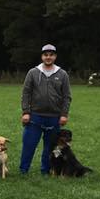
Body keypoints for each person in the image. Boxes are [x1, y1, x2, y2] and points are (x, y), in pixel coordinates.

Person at [20, 43, 72, 175]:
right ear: (42, 56)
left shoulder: (62, 74)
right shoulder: (33, 72)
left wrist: (64, 114)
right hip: (35, 116)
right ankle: (23, 170)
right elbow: (26, 93)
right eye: (45, 55)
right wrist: (26, 112)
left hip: (54, 117)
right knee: (29, 145)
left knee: (52, 147)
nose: (48, 57)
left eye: (51, 55)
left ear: (55, 56)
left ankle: (46, 170)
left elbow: (67, 96)